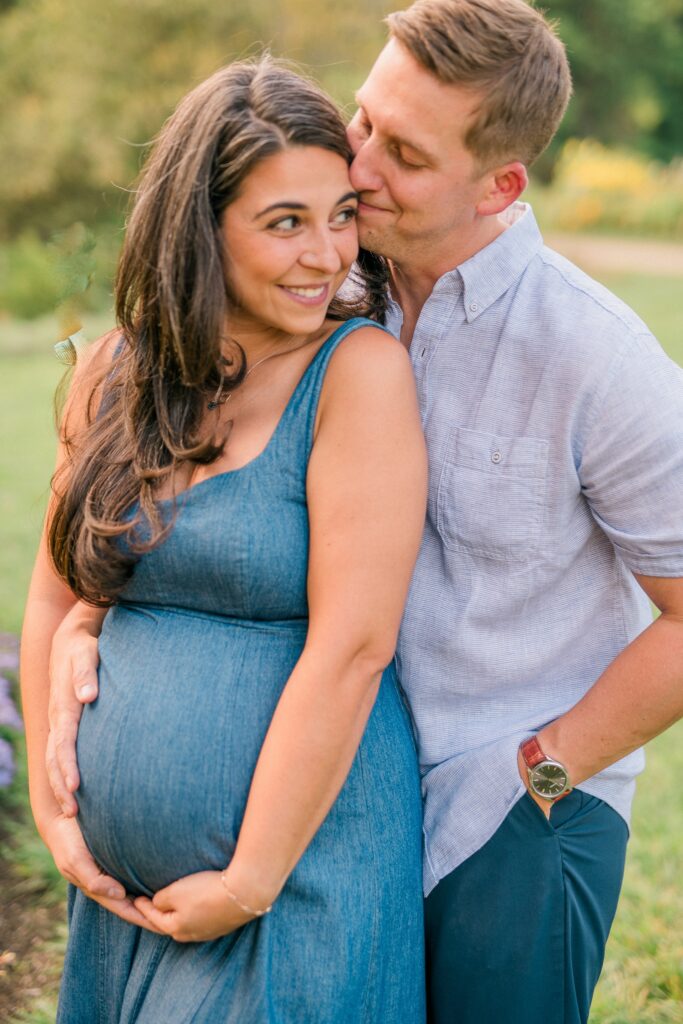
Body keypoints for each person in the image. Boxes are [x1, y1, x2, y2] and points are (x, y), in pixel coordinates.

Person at [45, 2, 683, 1022]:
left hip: (506, 807)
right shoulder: (329, 290)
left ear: (499, 186)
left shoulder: (591, 357)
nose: (362, 166)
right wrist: (92, 619)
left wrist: (542, 766)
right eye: (366, 120)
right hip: (347, 789)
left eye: (406, 155)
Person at [20, 57, 428, 1023]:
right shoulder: (114, 373)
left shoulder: (356, 374)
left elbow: (354, 648)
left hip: (297, 877)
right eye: (285, 222)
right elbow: (51, 597)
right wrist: (52, 809)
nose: (326, 255)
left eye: (340, 215)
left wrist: (248, 880)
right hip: (123, 910)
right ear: (198, 229)